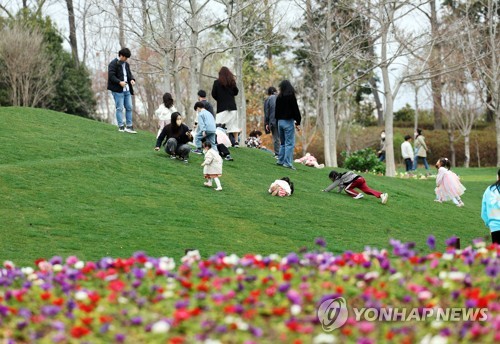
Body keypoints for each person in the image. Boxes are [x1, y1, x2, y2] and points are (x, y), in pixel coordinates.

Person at [107, 48, 137, 133]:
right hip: (117, 90)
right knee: (119, 108)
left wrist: (132, 79)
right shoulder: (113, 64)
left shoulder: (126, 64)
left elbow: (129, 74)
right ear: (121, 56)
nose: (126, 59)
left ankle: (129, 126)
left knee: (129, 107)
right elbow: (111, 76)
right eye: (125, 58)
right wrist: (119, 82)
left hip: (127, 89)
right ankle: (121, 126)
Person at [275, 80, 301, 170]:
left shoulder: (279, 97)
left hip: (279, 122)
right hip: (288, 121)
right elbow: (295, 110)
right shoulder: (291, 97)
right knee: (289, 143)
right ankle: (288, 163)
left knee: (282, 143)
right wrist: (298, 121)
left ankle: (280, 160)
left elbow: (276, 111)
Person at [322, 170, 388, 204]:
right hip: (361, 179)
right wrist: (338, 192)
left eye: (331, 178)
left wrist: (325, 190)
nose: (331, 180)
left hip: (356, 180)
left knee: (347, 189)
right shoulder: (341, 177)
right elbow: (340, 186)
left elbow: (332, 186)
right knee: (367, 191)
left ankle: (358, 195)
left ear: (333, 176)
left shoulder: (338, 179)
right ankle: (382, 195)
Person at [211, 67, 239, 146]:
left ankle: (224, 142)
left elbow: (213, 94)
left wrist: (219, 99)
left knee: (219, 126)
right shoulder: (232, 82)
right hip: (232, 107)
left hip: (221, 108)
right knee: (233, 125)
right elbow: (236, 92)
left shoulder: (216, 82)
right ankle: (236, 142)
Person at [481, 169, 500, 244]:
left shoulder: (489, 189)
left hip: (495, 227)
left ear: (498, 176)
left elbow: (484, 211)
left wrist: (489, 224)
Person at [264, 86, 279, 157]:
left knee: (276, 138)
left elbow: (267, 112)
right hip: (283, 120)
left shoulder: (268, 99)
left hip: (273, 120)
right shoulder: (281, 97)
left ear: (269, 93)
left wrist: (266, 123)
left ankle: (277, 154)